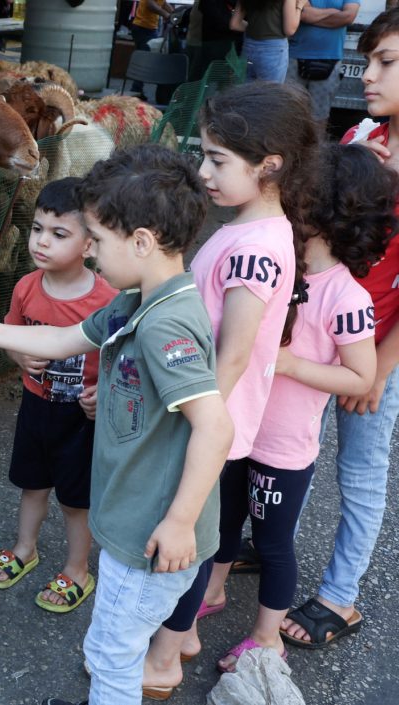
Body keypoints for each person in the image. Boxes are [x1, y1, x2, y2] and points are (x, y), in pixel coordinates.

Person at [0, 144, 234, 705]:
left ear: (141, 242)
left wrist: (179, 523)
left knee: (110, 657)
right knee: (113, 648)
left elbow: (216, 428)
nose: (89, 252)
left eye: (96, 239)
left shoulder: (165, 324)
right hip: (133, 525)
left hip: (150, 539)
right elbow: (58, 339)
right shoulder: (135, 301)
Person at [143, 81, 320, 695]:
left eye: (218, 160)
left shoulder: (255, 250)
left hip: (210, 422)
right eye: (204, 155)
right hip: (211, 419)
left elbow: (236, 350)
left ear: (269, 165)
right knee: (195, 535)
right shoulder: (249, 230)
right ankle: (182, 635)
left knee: (188, 539)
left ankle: (165, 657)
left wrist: (197, 423)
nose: (203, 171)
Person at [207, 142, 394, 672]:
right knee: (223, 525)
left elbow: (359, 375)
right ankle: (214, 591)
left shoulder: (348, 297)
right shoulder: (278, 267)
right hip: (239, 428)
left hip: (284, 449)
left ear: (329, 212)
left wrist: (288, 364)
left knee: (272, 544)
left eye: (300, 199)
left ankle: (268, 637)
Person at [280, 7, 399, 649]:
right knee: (290, 442)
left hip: (374, 347)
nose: (368, 73)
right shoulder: (362, 137)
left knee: (360, 467)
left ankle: (341, 595)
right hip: (319, 328)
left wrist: (378, 368)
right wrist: (351, 162)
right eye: (369, 58)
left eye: (385, 62)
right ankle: (272, 541)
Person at [0, 178, 118, 614]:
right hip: (35, 407)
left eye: (59, 234)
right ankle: (26, 548)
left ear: (90, 244)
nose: (42, 242)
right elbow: (10, 334)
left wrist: (106, 394)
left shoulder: (109, 301)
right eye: (37, 228)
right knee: (32, 483)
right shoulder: (25, 287)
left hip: (83, 418)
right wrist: (17, 354)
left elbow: (124, 362)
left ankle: (78, 569)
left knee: (76, 500)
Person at [286, 0, 360, 123]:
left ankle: (317, 143)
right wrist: (333, 13)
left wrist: (313, 16)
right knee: (289, 111)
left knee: (319, 116)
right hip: (294, 57)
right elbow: (304, 15)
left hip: (330, 58)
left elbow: (348, 17)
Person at [231, 0, 308, 81]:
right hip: (273, 50)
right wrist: (300, 6)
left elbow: (234, 24)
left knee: (246, 92)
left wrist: (258, 29)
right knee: (271, 92)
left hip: (248, 48)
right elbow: (290, 30)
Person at [131, 0, 174, 93]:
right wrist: (167, 15)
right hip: (143, 27)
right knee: (145, 59)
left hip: (148, 28)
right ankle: (135, 90)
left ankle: (137, 89)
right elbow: (151, 5)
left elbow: (163, 3)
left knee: (145, 58)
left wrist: (174, 13)